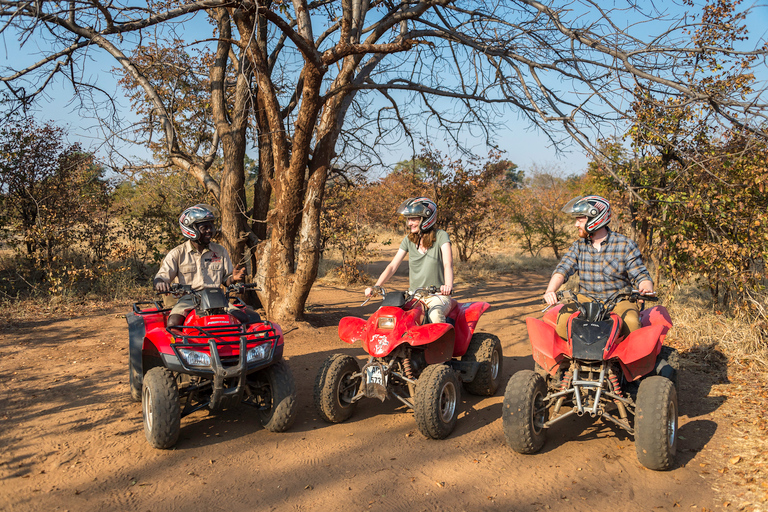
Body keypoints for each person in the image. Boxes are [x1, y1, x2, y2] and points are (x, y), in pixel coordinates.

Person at [543, 195, 654, 339]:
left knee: (632, 324)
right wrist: (550, 290)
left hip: (618, 301)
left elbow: (641, 275)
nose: (576, 224)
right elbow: (562, 271)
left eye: (580, 220)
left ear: (596, 219)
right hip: (585, 300)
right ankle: (567, 360)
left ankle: (625, 360)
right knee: (563, 322)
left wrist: (645, 287)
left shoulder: (625, 245)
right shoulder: (578, 246)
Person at [364, 197, 455, 323]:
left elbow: (447, 263)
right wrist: (377, 286)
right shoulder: (408, 239)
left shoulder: (441, 236)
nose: (409, 223)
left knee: (435, 316)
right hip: (414, 295)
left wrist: (448, 286)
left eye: (413, 219)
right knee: (385, 313)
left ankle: (443, 342)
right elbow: (392, 266)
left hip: (437, 296)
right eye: (408, 219)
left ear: (426, 218)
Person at [154, 204, 245, 327]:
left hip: (217, 298)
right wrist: (160, 283)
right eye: (204, 228)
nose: (210, 230)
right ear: (191, 230)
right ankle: (182, 346)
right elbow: (162, 276)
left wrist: (233, 278)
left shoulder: (220, 251)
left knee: (243, 319)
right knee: (173, 323)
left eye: (211, 226)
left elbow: (226, 280)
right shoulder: (178, 253)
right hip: (188, 300)